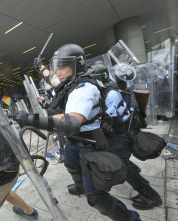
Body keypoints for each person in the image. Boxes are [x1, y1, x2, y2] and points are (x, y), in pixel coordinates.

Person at [18, 44, 141, 220]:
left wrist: (31, 120)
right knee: (71, 165)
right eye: (56, 68)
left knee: (97, 197)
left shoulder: (84, 89)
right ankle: (81, 187)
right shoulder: (70, 80)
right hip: (74, 141)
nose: (57, 72)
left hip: (89, 143)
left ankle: (131, 218)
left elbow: (72, 122)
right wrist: (41, 67)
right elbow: (53, 79)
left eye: (62, 68)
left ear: (77, 66)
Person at [100, 68, 163, 210]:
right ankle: (134, 171)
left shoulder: (113, 93)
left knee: (123, 166)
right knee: (121, 161)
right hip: (126, 132)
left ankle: (152, 196)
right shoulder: (124, 88)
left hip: (121, 135)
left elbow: (108, 118)